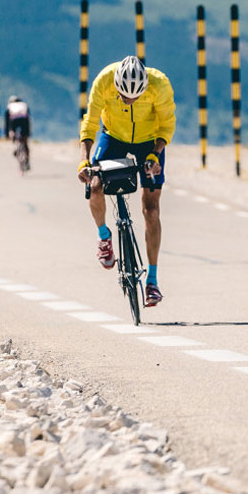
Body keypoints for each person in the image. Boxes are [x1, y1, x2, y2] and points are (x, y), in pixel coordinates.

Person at [79, 55, 174, 307]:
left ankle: (152, 281)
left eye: (134, 97)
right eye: (123, 96)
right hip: (114, 137)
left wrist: (155, 154)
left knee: (151, 210)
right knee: (95, 185)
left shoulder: (160, 85)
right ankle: (103, 236)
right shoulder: (104, 81)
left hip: (149, 140)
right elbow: (90, 122)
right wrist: (83, 160)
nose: (128, 100)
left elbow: (166, 125)